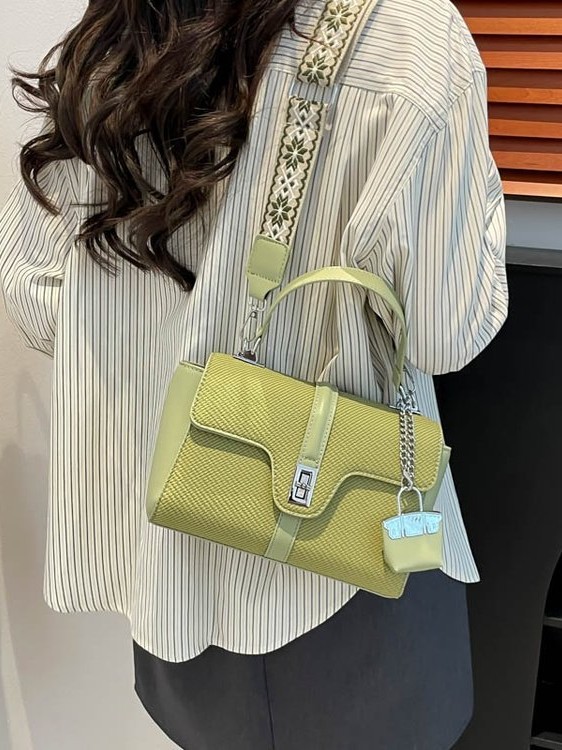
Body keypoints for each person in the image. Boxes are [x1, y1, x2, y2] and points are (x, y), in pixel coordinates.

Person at [0, 0, 508, 748]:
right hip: (347, 575)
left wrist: (171, 343)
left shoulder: (118, 27)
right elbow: (446, 333)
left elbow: (36, 295)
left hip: (171, 565)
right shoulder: (412, 39)